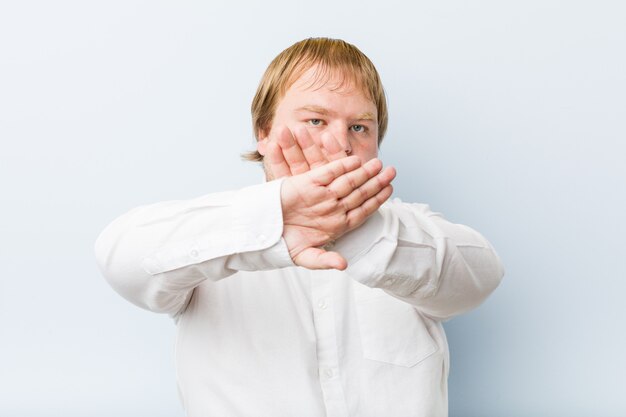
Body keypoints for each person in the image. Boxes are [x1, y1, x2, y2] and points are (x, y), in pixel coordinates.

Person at [95, 37, 504, 417]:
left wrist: (353, 231)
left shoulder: (412, 230)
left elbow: (480, 277)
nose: (341, 145)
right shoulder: (210, 238)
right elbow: (121, 259)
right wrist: (273, 219)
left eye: (360, 127)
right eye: (315, 120)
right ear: (264, 132)